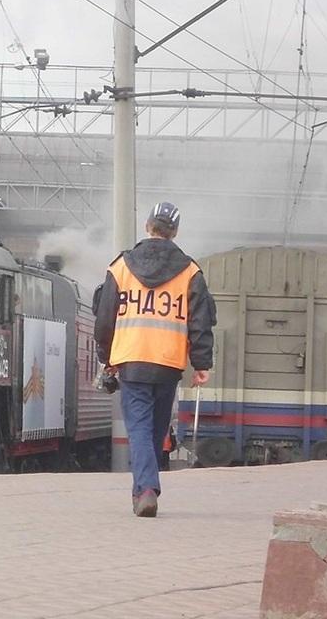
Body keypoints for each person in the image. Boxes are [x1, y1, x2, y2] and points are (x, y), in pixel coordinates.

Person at [94, 202, 216, 518]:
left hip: (132, 358)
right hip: (168, 361)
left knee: (139, 430)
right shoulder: (190, 272)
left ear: (148, 226)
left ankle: (146, 489)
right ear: (174, 232)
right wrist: (201, 364)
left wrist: (106, 357)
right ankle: (142, 490)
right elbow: (200, 322)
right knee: (154, 429)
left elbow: (105, 318)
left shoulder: (121, 266)